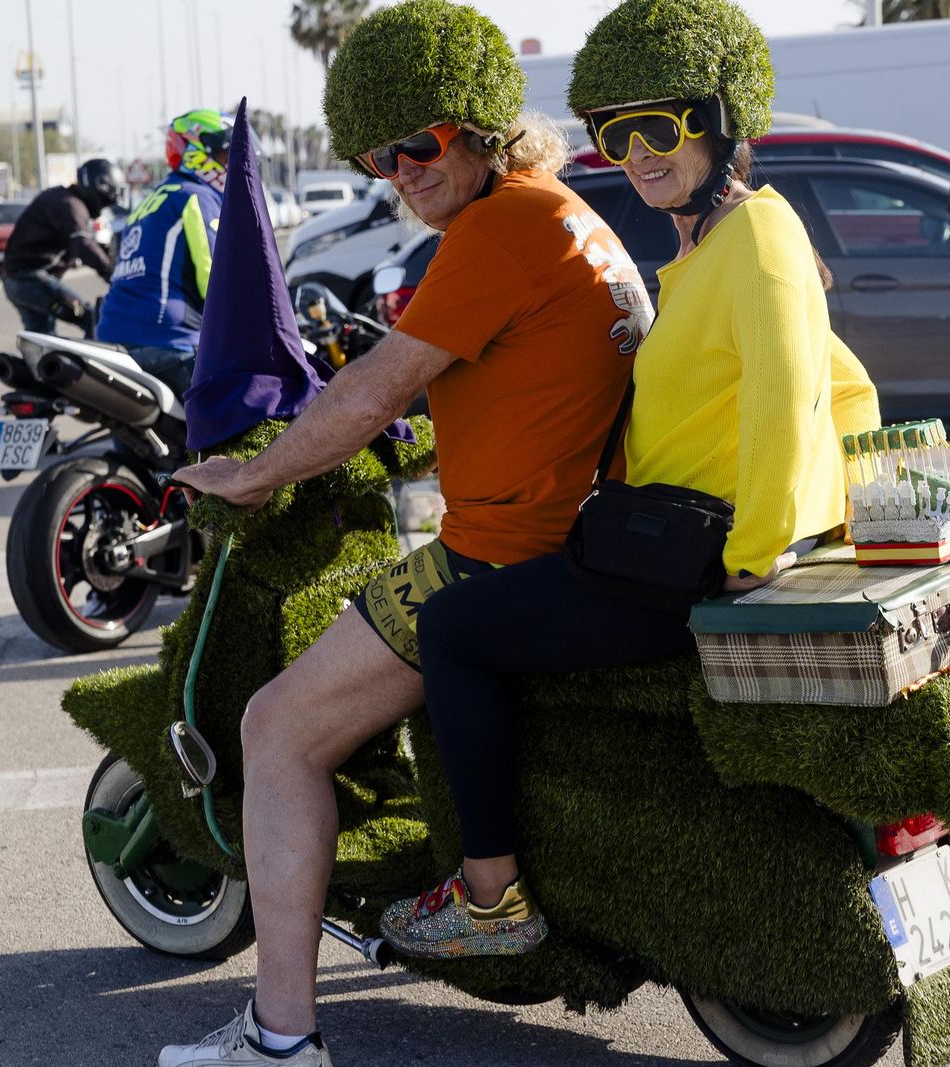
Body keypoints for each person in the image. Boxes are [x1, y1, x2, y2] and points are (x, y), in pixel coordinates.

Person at [160, 2, 654, 1064]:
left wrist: (254, 474)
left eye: (418, 145)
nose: (400, 173)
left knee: (273, 727)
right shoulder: (561, 212)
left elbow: (364, 395)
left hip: (498, 554)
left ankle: (279, 1034)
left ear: (479, 125)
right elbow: (518, 387)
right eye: (379, 158)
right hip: (573, 536)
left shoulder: (499, 228)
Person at [376, 0, 881, 961]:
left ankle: (491, 902)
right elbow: (845, 386)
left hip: (687, 562)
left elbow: (786, 395)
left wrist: (760, 549)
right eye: (615, 131)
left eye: (663, 125)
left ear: (727, 120)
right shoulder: (709, 245)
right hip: (667, 542)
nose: (638, 152)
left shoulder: (757, 237)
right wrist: (845, 509)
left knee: (452, 630)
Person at [94, 110, 231, 397]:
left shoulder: (152, 198)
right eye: (224, 153)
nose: (230, 162)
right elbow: (216, 280)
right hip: (167, 339)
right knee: (236, 423)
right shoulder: (195, 196)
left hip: (112, 335)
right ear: (195, 151)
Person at [0, 157, 122, 336]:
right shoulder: (71, 205)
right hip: (29, 279)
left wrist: (107, 257)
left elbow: (85, 244)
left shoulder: (63, 199)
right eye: (105, 200)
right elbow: (82, 244)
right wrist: (113, 274)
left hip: (15, 278)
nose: (103, 206)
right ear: (98, 188)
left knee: (42, 337)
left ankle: (34, 363)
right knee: (90, 318)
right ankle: (92, 364)